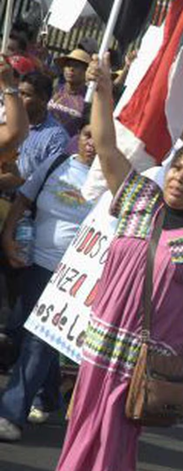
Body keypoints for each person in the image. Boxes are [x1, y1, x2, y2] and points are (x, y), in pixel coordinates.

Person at [50, 53, 183, 471]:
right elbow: (106, 146)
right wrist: (103, 91)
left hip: (144, 361)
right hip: (100, 346)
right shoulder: (140, 199)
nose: (179, 177)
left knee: (113, 445)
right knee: (81, 431)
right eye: (177, 168)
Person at [0, 124, 98, 441]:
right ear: (78, 137)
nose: (92, 143)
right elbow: (22, 201)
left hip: (75, 277)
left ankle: (10, 415)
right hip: (34, 265)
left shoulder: (112, 181)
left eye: (100, 137)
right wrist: (8, 237)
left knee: (39, 340)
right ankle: (50, 395)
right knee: (24, 333)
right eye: (87, 135)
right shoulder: (56, 164)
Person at [47, 49, 90, 138]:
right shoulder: (55, 90)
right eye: (68, 65)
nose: (71, 69)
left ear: (86, 71)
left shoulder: (88, 99)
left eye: (76, 66)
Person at [0, 57, 29, 156]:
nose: (4, 75)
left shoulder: (23, 106)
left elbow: (15, 134)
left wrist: (8, 86)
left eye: (13, 74)